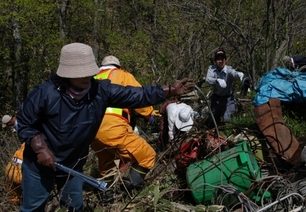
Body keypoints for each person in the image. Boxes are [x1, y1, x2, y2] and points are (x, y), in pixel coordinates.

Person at [16, 42, 195, 212]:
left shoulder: (100, 90)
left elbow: (137, 95)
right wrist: (40, 149)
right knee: (33, 208)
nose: (86, 76)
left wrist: (169, 90)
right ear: (67, 74)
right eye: (80, 73)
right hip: (39, 165)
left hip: (73, 164)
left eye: (88, 72)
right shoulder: (45, 93)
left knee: (74, 206)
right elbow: (24, 123)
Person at [91, 55, 159, 203]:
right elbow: (138, 96)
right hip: (114, 128)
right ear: (118, 66)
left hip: (93, 133)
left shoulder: (92, 79)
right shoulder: (122, 75)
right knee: (147, 156)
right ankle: (127, 192)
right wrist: (150, 115)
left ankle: (106, 199)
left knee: (106, 165)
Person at [205, 48, 243, 127]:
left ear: (225, 60)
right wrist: (216, 80)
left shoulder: (229, 69)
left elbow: (233, 73)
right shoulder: (212, 69)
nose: (220, 61)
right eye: (218, 59)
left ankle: (227, 134)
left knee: (227, 118)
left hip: (228, 98)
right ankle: (214, 133)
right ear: (215, 61)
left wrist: (238, 75)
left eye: (222, 59)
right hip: (216, 98)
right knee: (213, 119)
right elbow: (208, 79)